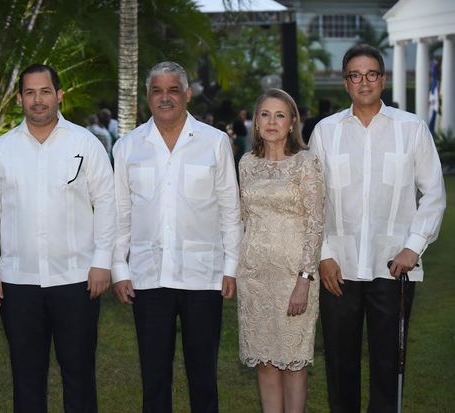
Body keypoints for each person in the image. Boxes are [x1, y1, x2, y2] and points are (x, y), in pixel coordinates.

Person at [309, 44, 446, 413]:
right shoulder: (325, 132)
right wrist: (323, 255)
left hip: (393, 265)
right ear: (345, 82)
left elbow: (434, 194)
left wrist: (413, 246)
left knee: (389, 364)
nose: (364, 81)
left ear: (382, 80)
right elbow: (312, 200)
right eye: (355, 75)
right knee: (340, 363)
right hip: (339, 267)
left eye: (371, 74)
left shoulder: (411, 128)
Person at [0, 63, 115, 413]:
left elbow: (108, 204)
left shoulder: (86, 142)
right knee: (26, 377)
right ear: (20, 99)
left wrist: (102, 262)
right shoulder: (2, 149)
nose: (37, 100)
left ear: (59, 95)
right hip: (18, 281)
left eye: (44, 91)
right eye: (30, 93)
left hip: (76, 280)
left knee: (79, 374)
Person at [112, 61, 242, 413]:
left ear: (187, 94)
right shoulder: (127, 146)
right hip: (147, 276)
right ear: (148, 97)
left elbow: (230, 209)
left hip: (204, 276)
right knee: (154, 378)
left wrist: (231, 267)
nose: (165, 97)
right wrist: (119, 271)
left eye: (173, 90)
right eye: (157, 90)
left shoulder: (214, 143)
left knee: (203, 376)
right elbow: (120, 215)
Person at [237, 88, 325, 412]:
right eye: (265, 114)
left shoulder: (306, 163)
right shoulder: (246, 164)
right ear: (256, 123)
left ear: (291, 124)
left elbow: (316, 224)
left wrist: (304, 278)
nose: (271, 121)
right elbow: (243, 218)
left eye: (280, 115)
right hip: (254, 277)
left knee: (294, 362)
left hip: (294, 277)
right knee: (265, 362)